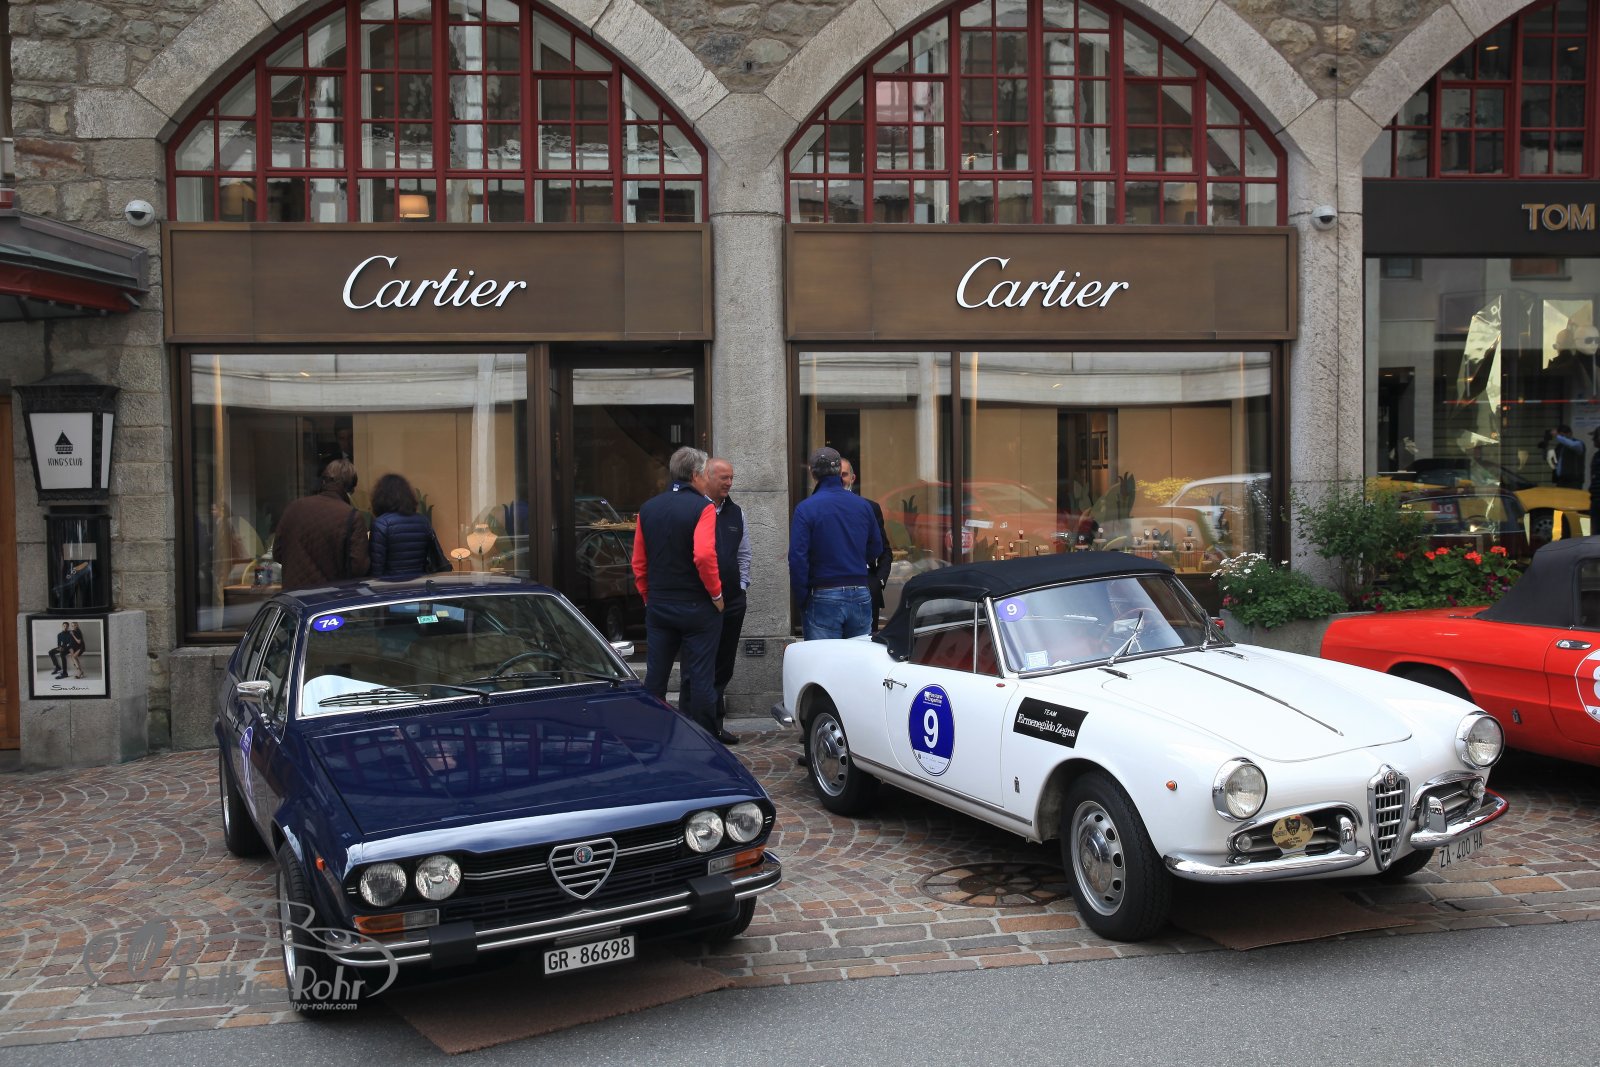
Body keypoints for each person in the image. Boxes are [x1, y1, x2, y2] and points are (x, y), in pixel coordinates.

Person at [630, 446, 724, 736]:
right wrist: (717, 595)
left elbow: (638, 563)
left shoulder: (648, 508)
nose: (707, 479)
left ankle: (653, 736)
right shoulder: (703, 507)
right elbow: (704, 555)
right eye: (705, 473)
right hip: (697, 604)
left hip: (660, 603)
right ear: (695, 475)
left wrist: (648, 596)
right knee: (701, 679)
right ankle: (705, 741)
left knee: (655, 679)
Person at [680, 457, 750, 745]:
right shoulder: (692, 510)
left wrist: (742, 586)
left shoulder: (736, 513)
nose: (729, 483)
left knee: (723, 666)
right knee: (695, 667)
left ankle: (715, 725)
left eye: (731, 478)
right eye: (723, 478)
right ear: (705, 477)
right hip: (700, 602)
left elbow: (744, 553)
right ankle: (691, 728)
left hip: (732, 602)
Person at [789, 446, 883, 641]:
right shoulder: (862, 505)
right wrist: (853, 560)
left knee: (823, 657)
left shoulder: (806, 509)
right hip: (859, 590)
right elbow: (876, 547)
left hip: (823, 592)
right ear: (839, 470)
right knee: (858, 656)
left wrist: (802, 598)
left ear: (812, 473)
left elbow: (798, 558)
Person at [273, 458, 370, 591]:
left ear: (324, 481)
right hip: (330, 597)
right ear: (350, 488)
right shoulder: (352, 516)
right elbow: (358, 568)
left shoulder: (294, 507)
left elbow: (278, 553)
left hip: (293, 596)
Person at [840, 457, 893, 633]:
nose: (840, 479)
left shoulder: (870, 507)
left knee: (865, 644)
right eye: (836, 475)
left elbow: (884, 550)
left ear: (852, 478)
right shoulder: (820, 507)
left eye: (844, 474)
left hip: (867, 587)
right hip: (831, 590)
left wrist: (878, 581)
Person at [368, 473, 439, 580]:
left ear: (380, 497)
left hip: (391, 585)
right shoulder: (423, 521)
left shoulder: (381, 524)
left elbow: (376, 568)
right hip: (419, 583)